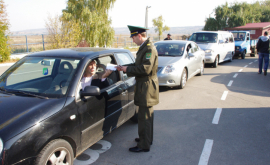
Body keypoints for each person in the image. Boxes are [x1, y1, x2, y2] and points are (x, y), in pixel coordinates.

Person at [116, 25, 159, 153]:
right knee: (147, 116)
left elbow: (145, 68)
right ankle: (146, 139)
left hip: (146, 88)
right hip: (144, 86)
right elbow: (137, 65)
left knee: (144, 117)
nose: (133, 41)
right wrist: (124, 67)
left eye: (133, 38)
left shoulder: (149, 49)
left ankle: (143, 145)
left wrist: (127, 70)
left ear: (139, 36)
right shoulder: (144, 47)